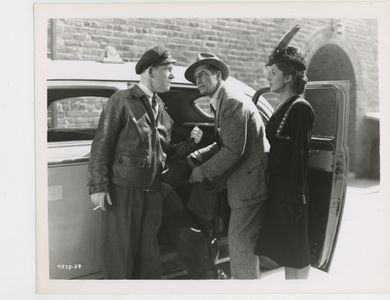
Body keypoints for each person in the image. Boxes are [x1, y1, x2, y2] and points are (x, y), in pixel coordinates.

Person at [87, 46, 217, 279]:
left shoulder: (159, 107)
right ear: (150, 71)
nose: (171, 75)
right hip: (124, 192)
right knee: (121, 258)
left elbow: (163, 152)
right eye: (168, 69)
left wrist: (189, 144)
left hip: (152, 192)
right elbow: (101, 145)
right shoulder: (122, 101)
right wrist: (98, 186)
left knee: (148, 259)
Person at [184, 52, 269, 279]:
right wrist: (197, 155)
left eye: (202, 75)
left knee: (240, 245)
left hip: (248, 185)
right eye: (195, 77)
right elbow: (224, 141)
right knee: (242, 244)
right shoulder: (221, 101)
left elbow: (233, 150)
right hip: (243, 180)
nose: (198, 81)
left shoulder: (231, 101)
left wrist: (202, 171)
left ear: (218, 75)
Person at [254, 25, 315, 279]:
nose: (270, 78)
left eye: (274, 73)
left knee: (297, 256)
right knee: (287, 255)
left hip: (290, 197)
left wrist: (292, 201)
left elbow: (298, 160)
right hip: (280, 192)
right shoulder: (284, 106)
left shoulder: (300, 108)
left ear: (289, 77)